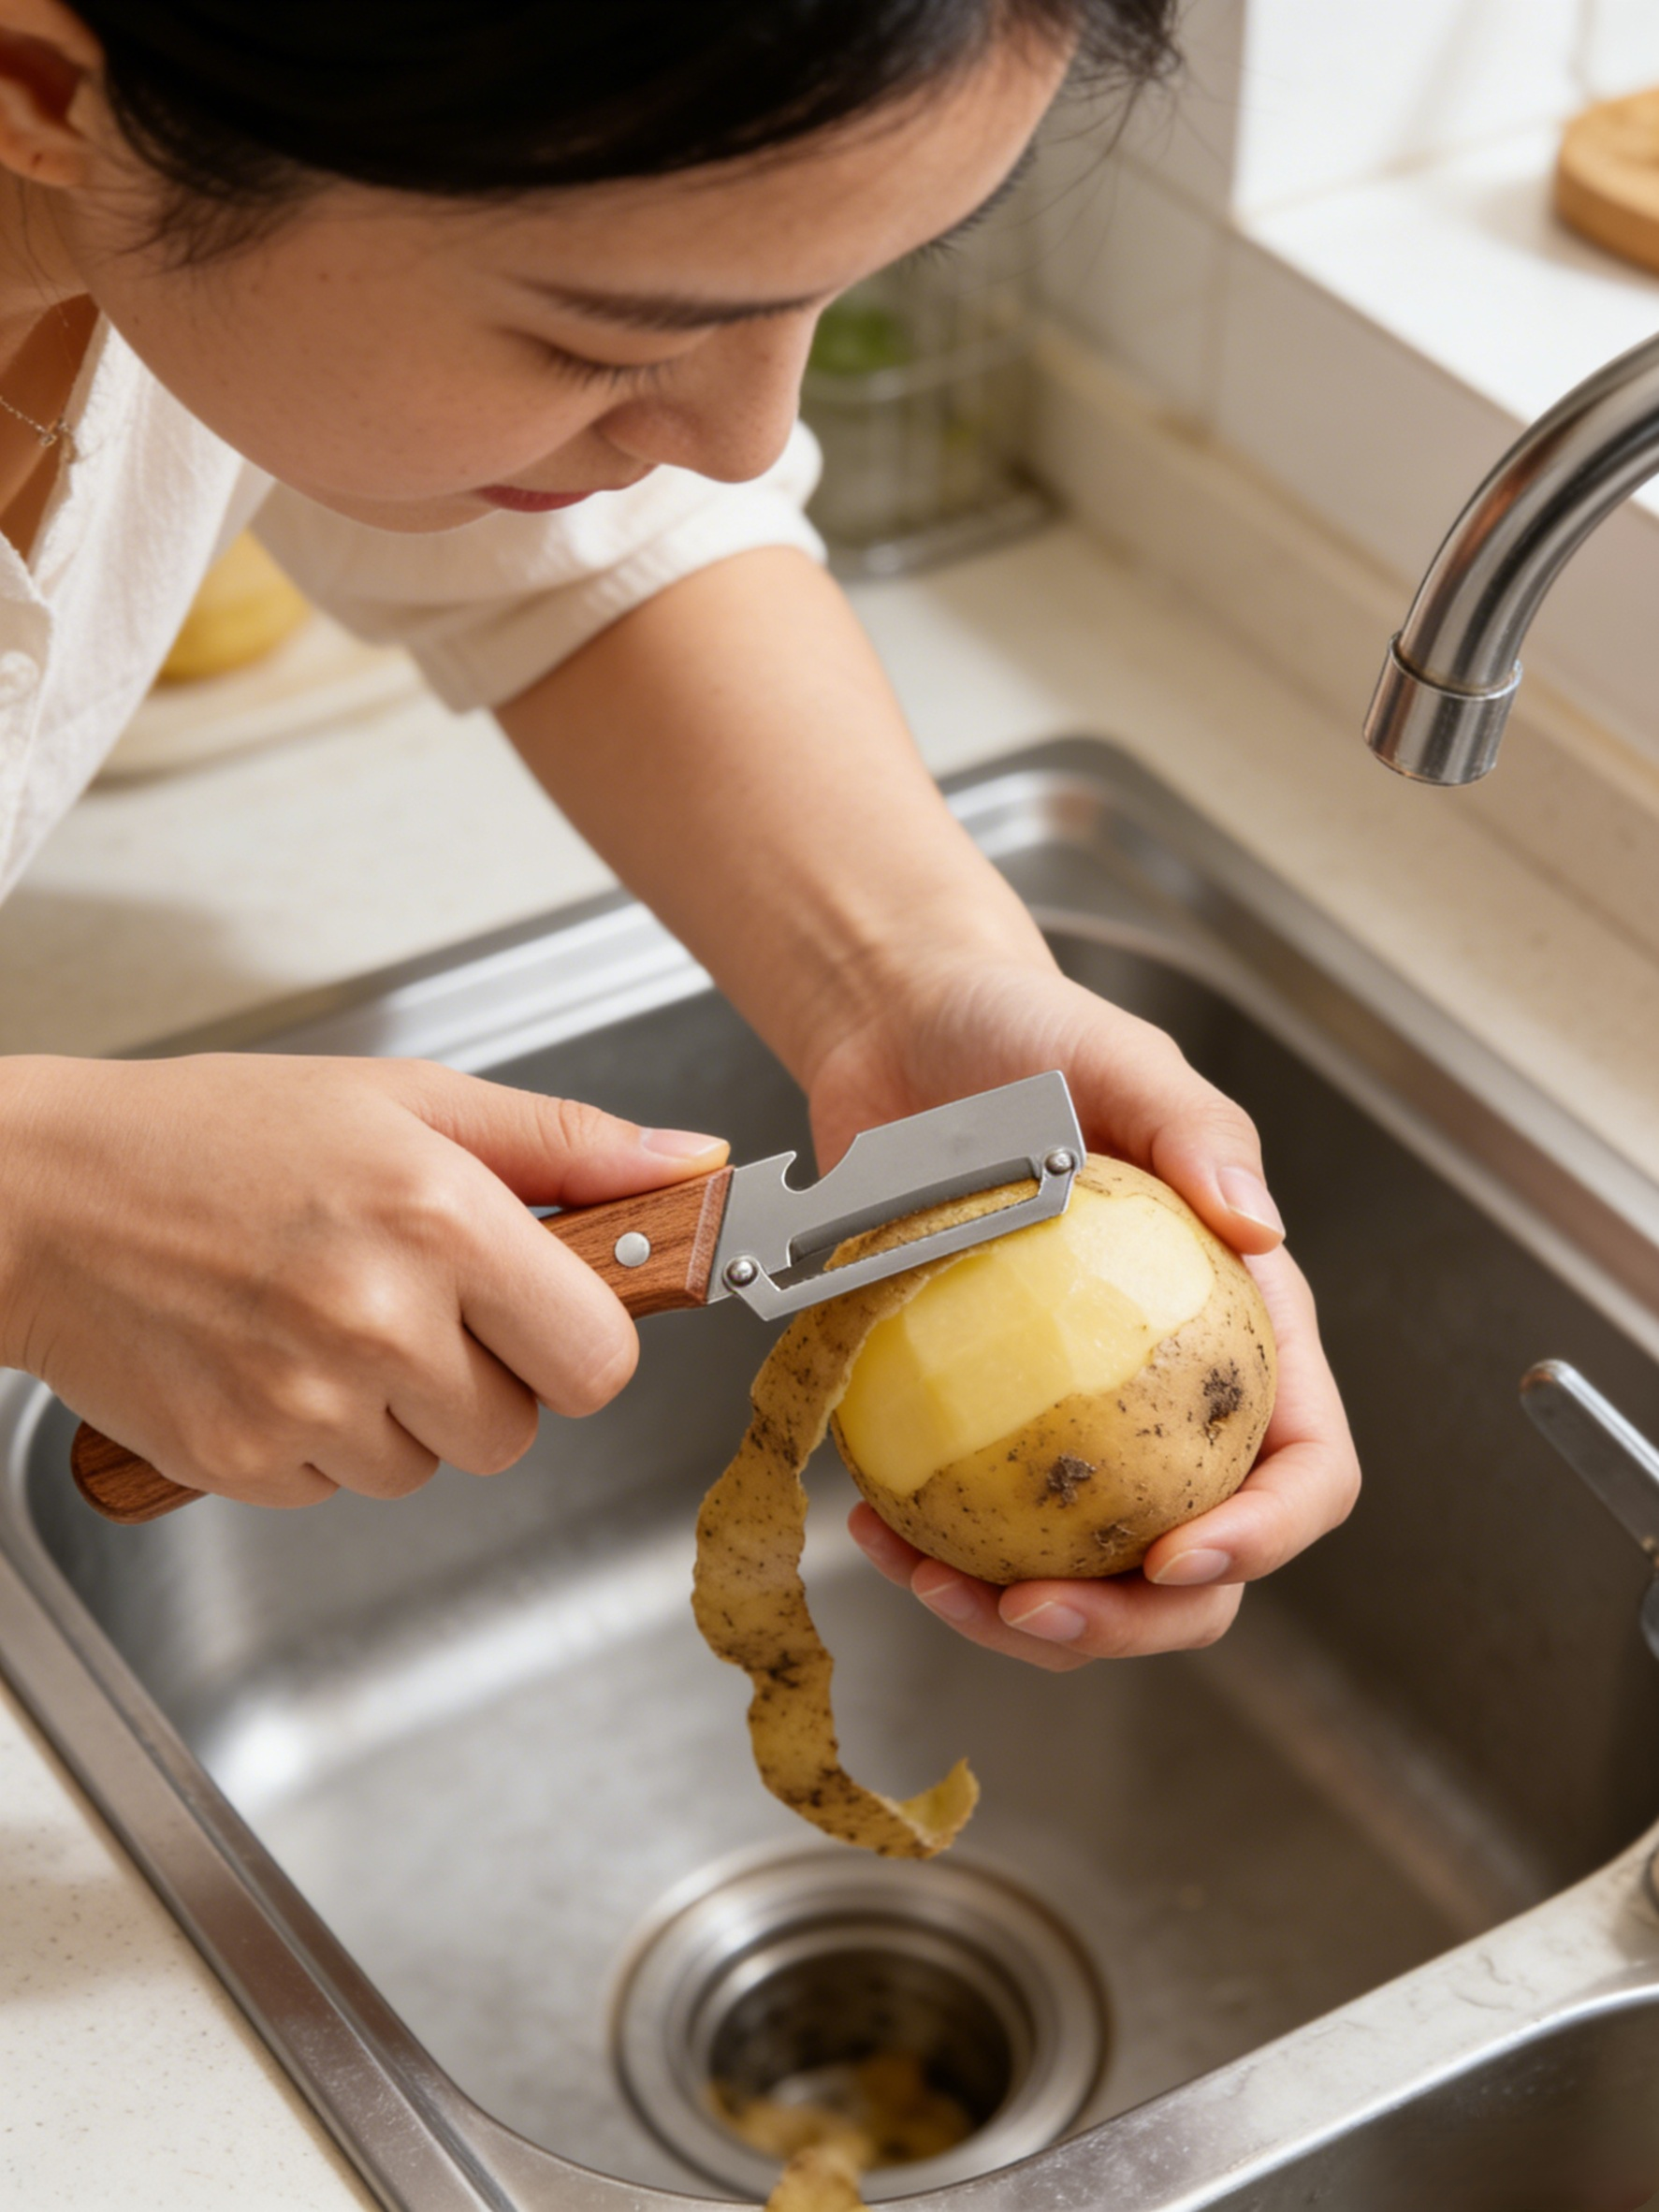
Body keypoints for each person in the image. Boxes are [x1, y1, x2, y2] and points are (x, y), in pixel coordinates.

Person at [0, 0, 1358, 1671]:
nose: (741, 435)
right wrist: (26, 1203)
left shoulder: (186, 198)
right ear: (49, 91)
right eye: (607, 342)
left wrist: (899, 977)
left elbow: (595, 562)